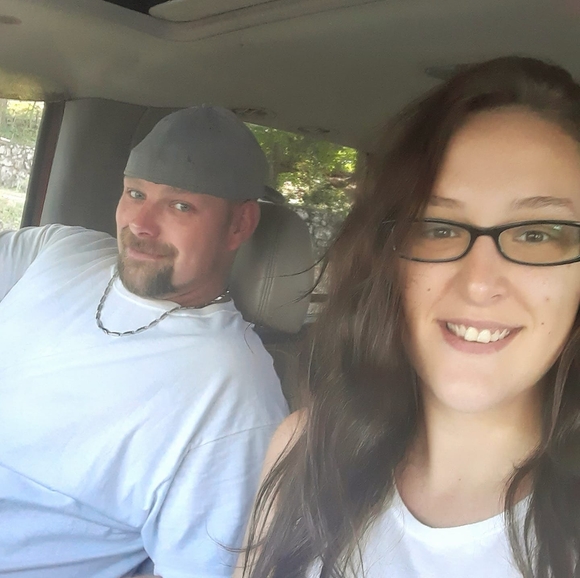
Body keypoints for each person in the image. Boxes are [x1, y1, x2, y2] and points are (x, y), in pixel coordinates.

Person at [236, 57, 580, 578]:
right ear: (388, 261)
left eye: (537, 234)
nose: (479, 283)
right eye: (438, 228)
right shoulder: (306, 448)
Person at [0, 105, 288, 577]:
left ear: (239, 225)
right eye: (135, 193)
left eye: (180, 206)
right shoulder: (58, 252)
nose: (141, 224)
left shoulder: (235, 400)